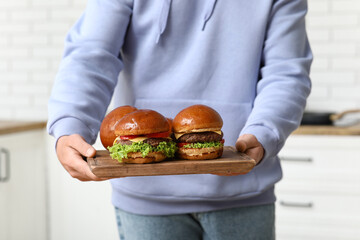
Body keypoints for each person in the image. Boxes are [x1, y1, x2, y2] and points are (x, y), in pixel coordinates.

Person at [48, 0, 312, 239]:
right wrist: (71, 122)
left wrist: (264, 132)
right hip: (146, 196)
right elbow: (91, 55)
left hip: (244, 190)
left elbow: (286, 74)